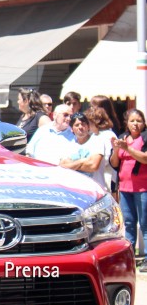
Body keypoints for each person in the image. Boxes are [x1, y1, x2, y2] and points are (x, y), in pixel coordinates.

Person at [110, 109, 147, 263]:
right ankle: (129, 256)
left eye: (139, 121)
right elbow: (114, 163)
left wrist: (127, 148)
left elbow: (145, 158)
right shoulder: (122, 138)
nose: (135, 124)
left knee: (145, 224)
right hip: (125, 188)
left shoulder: (145, 138)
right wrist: (117, 148)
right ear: (127, 123)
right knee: (129, 223)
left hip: (143, 188)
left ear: (144, 123)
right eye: (132, 121)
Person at [59, 110, 109, 191]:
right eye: (77, 125)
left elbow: (93, 166)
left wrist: (72, 165)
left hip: (96, 190)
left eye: (83, 124)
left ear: (88, 126)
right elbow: (62, 167)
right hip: (77, 190)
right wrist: (82, 161)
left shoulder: (97, 141)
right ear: (72, 129)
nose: (80, 127)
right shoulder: (68, 145)